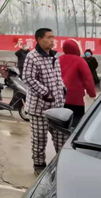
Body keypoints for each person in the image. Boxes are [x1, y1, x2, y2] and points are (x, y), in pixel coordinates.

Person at [23, 28, 69, 176]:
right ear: (39, 39)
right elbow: (28, 78)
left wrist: (62, 89)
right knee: (39, 139)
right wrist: (45, 93)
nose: (52, 40)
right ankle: (39, 165)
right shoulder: (32, 57)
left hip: (57, 108)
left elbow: (58, 77)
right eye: (48, 37)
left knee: (61, 138)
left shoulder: (54, 56)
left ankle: (61, 165)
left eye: (53, 37)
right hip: (39, 109)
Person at [60, 40, 97, 127]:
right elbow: (87, 79)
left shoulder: (58, 60)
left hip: (60, 99)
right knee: (75, 125)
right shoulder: (80, 61)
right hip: (76, 100)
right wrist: (92, 94)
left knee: (62, 125)